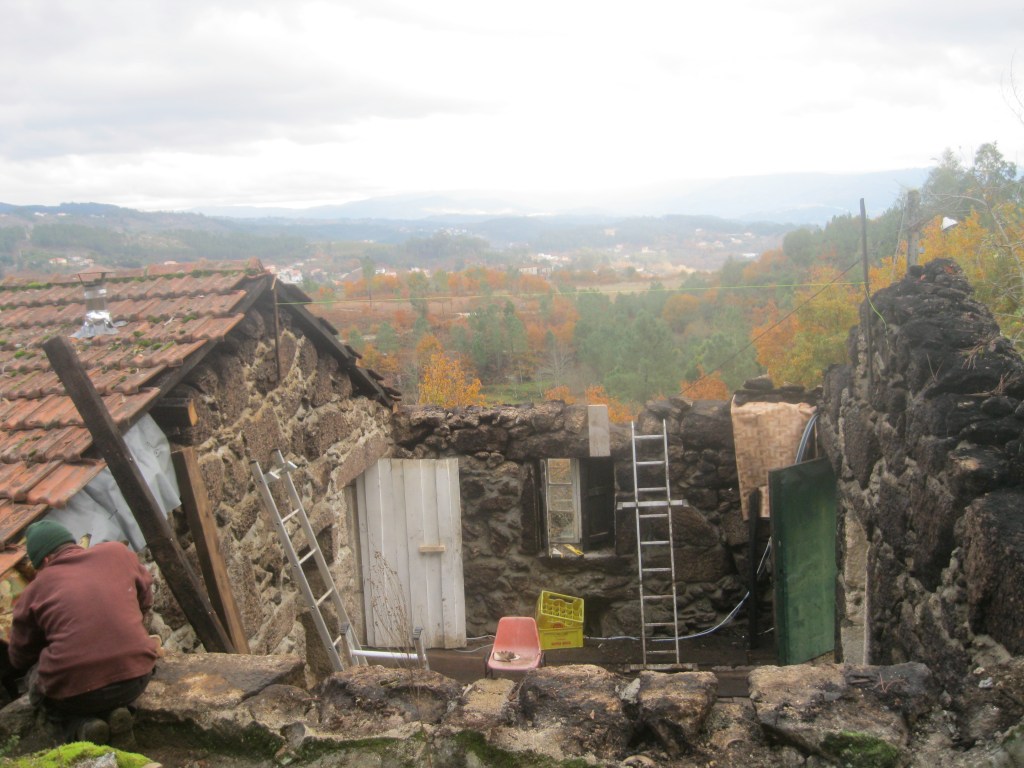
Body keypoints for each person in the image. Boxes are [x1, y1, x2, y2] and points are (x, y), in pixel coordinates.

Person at [7, 520, 159, 744]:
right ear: (71, 543)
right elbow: (145, 600)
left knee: (35, 679)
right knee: (124, 666)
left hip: (77, 696)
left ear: (46, 560)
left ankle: (80, 728)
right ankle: (122, 712)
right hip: (135, 678)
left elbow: (19, 658)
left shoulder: (35, 590)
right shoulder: (117, 552)